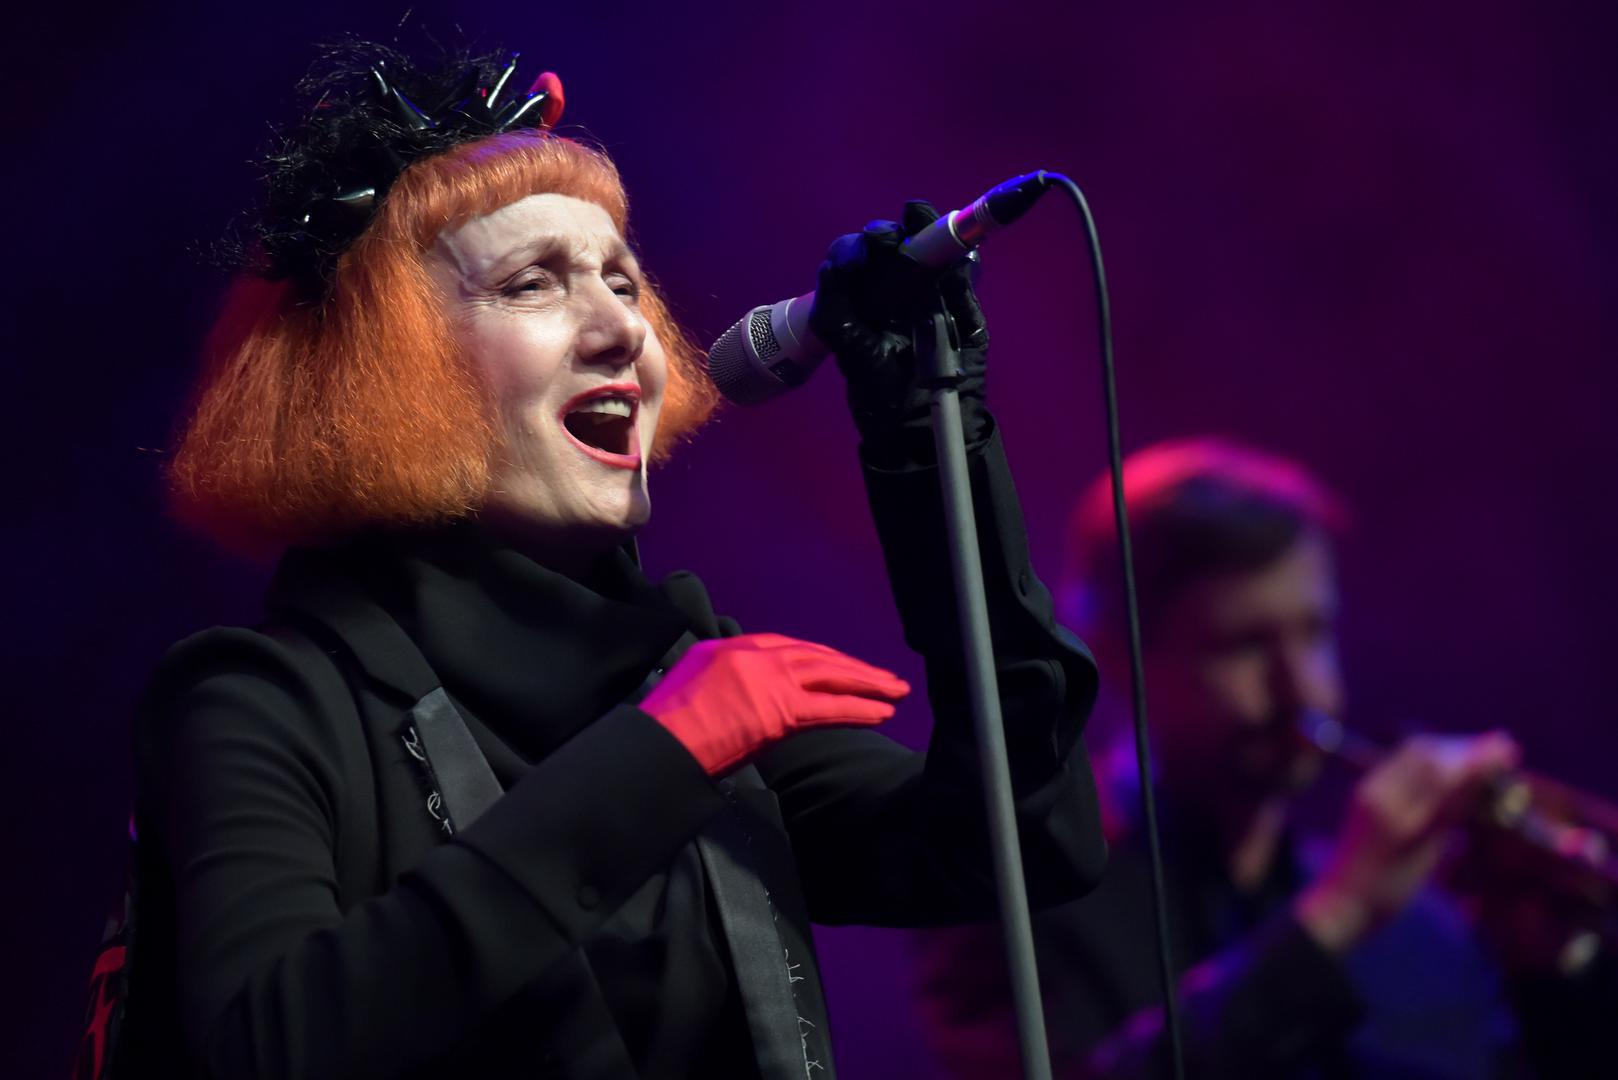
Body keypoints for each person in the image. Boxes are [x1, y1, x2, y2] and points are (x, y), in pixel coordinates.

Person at [107, 41, 1108, 1079]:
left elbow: (1026, 843)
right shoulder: (258, 703)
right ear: (381, 367)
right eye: (532, 284)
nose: (622, 329)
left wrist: (930, 440)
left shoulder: (681, 678)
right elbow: (261, 1048)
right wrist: (660, 753)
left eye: (623, 281)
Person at [912, 438, 1616, 1077]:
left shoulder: (1422, 927)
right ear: (1117, 656)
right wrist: (1337, 916)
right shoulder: (1011, 895)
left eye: (1314, 633)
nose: (1302, 689)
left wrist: (1553, 976)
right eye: (1244, 644)